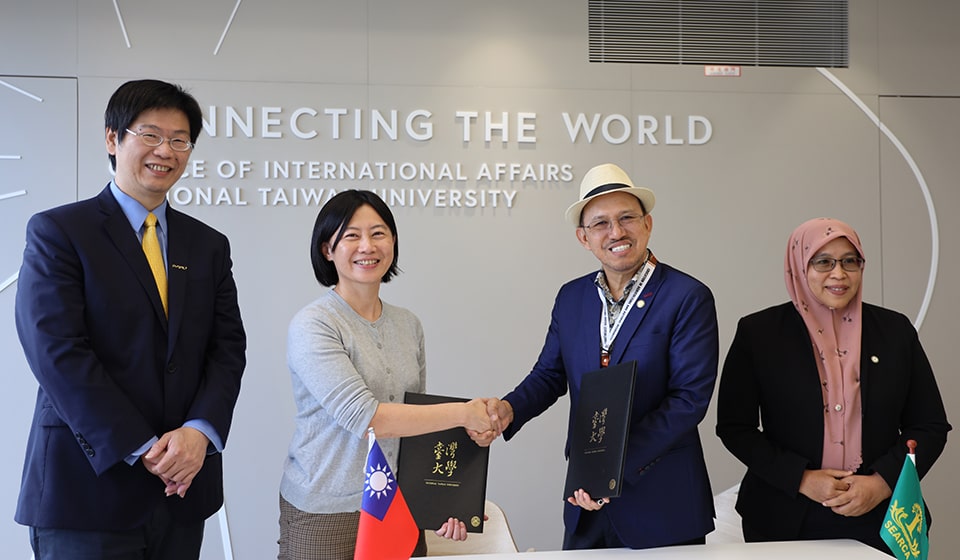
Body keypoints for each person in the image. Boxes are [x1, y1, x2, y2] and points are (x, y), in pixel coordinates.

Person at [14, 79, 247, 559]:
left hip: (182, 493)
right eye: (150, 134)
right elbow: (57, 352)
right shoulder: (60, 231)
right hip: (86, 492)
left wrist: (199, 432)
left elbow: (227, 350)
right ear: (112, 139)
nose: (166, 150)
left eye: (180, 139)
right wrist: (144, 447)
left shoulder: (207, 245)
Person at [477, 163, 720, 550]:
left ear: (648, 224)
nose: (616, 232)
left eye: (627, 218)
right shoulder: (572, 298)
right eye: (601, 223)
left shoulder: (687, 296)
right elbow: (548, 375)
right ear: (583, 238)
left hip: (663, 504)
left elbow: (688, 401)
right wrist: (508, 409)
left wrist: (612, 469)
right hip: (586, 503)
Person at [278, 189, 499, 560]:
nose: (367, 245)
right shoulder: (314, 324)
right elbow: (367, 418)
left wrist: (443, 498)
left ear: (393, 242)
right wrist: (466, 413)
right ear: (327, 250)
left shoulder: (407, 324)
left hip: (399, 506)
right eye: (351, 235)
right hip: (327, 510)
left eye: (379, 233)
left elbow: (418, 428)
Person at [716, 217, 951, 553]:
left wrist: (883, 482)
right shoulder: (760, 333)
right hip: (784, 513)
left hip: (881, 516)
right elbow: (735, 427)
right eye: (823, 262)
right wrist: (802, 478)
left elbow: (929, 426)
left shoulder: (895, 331)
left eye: (850, 261)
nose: (839, 274)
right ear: (799, 265)